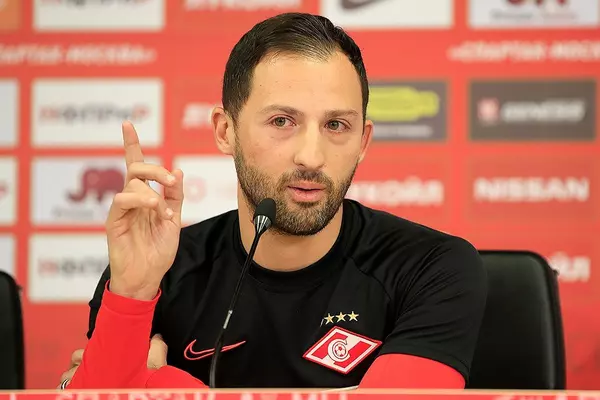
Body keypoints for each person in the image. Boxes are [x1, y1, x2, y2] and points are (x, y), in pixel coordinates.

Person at [60, 12, 488, 390]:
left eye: (336, 125)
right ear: (225, 131)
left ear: (363, 141)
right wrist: (133, 292)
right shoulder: (157, 271)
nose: (311, 156)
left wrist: (161, 383)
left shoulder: (431, 267)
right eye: (282, 121)